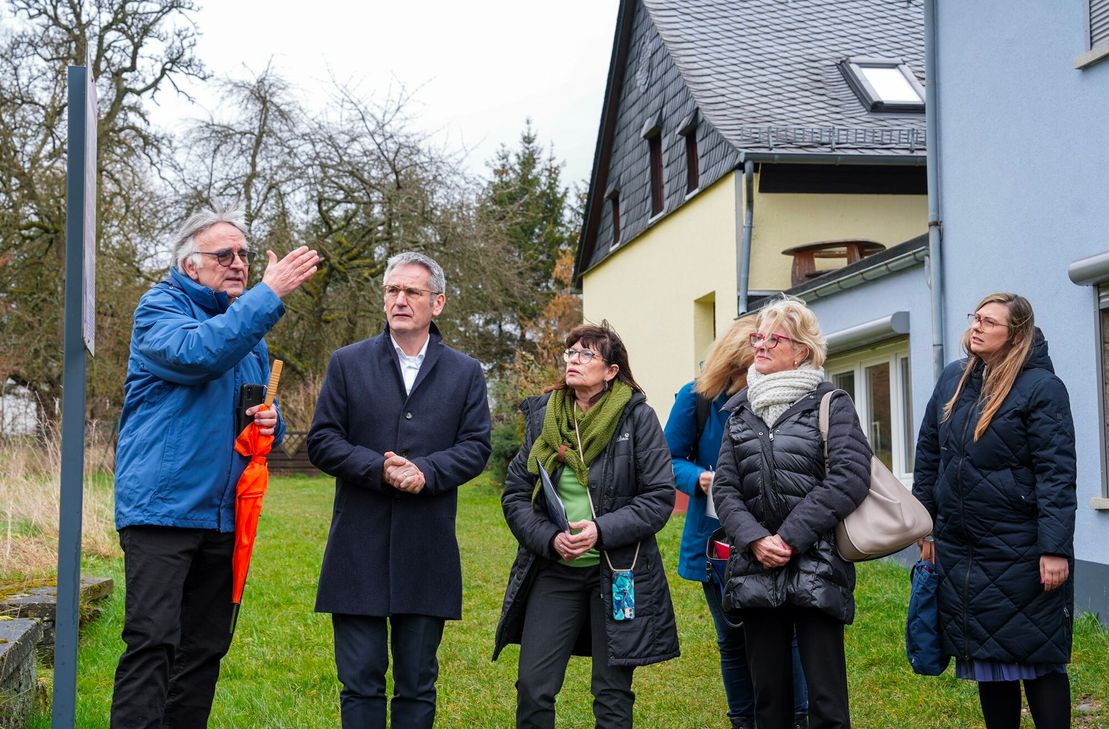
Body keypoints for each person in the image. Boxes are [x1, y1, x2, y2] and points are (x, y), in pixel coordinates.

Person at [110, 205, 319, 728]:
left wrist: (271, 422)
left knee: (203, 650)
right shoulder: (159, 308)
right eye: (224, 255)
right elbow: (198, 354)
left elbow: (254, 414)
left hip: (224, 516)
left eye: (244, 254)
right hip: (163, 510)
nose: (238, 263)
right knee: (153, 642)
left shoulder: (247, 333)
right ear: (190, 265)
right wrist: (269, 294)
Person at [307, 251, 492, 729]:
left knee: (417, 684)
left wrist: (426, 471)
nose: (400, 300)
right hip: (357, 547)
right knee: (360, 683)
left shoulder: (465, 372)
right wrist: (379, 469)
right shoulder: (348, 363)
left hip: (426, 548)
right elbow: (323, 441)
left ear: (438, 303)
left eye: (412, 291)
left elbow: (476, 447)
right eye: (392, 290)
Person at [493, 322, 680, 728]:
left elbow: (658, 498)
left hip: (617, 572)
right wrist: (549, 539)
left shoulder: (636, 418)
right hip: (555, 569)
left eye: (586, 354)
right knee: (533, 685)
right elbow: (516, 494)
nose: (574, 361)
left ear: (611, 371)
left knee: (612, 692)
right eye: (571, 353)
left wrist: (600, 530)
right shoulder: (546, 416)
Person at [913, 293, 1076, 729]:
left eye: (989, 321)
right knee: (986, 657)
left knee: (1037, 657)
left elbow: (1057, 473)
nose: (977, 326)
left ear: (1016, 334)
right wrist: (925, 525)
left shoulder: (1042, 388)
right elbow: (929, 454)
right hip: (963, 547)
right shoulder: (954, 379)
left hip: (1021, 547)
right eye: (976, 317)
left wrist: (1054, 549)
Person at [712, 296, 871, 729]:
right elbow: (725, 488)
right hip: (755, 566)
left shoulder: (831, 403)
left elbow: (850, 477)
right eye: (758, 337)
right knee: (769, 701)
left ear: (801, 350)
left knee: (826, 701)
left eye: (774, 339)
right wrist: (755, 540)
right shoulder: (740, 409)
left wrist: (788, 538)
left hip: (817, 564)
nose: (761, 346)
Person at [663, 317, 809, 729]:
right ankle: (744, 719)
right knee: (731, 635)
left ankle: (799, 715)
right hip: (717, 539)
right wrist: (698, 479)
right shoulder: (697, 398)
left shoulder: (785, 395)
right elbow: (666, 459)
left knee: (788, 630)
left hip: (778, 532)